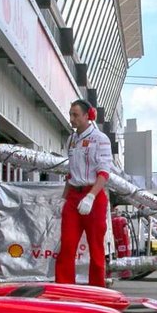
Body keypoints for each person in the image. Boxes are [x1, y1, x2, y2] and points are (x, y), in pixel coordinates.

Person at [55, 99, 113, 287]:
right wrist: (63, 199)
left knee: (96, 248)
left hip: (93, 196)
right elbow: (70, 172)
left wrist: (91, 196)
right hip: (73, 195)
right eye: (71, 114)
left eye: (76, 115)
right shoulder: (71, 140)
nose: (72, 119)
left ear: (88, 116)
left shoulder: (101, 139)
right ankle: (64, 290)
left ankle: (98, 292)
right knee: (67, 245)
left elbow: (104, 172)